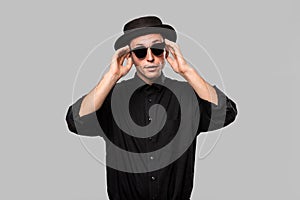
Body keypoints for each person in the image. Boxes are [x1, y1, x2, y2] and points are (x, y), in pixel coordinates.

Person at [65, 16, 238, 200]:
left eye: (157, 49)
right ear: (129, 56)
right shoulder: (111, 98)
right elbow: (76, 121)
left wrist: (186, 70)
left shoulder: (187, 95)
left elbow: (227, 112)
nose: (150, 57)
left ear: (166, 52)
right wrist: (111, 77)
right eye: (139, 51)